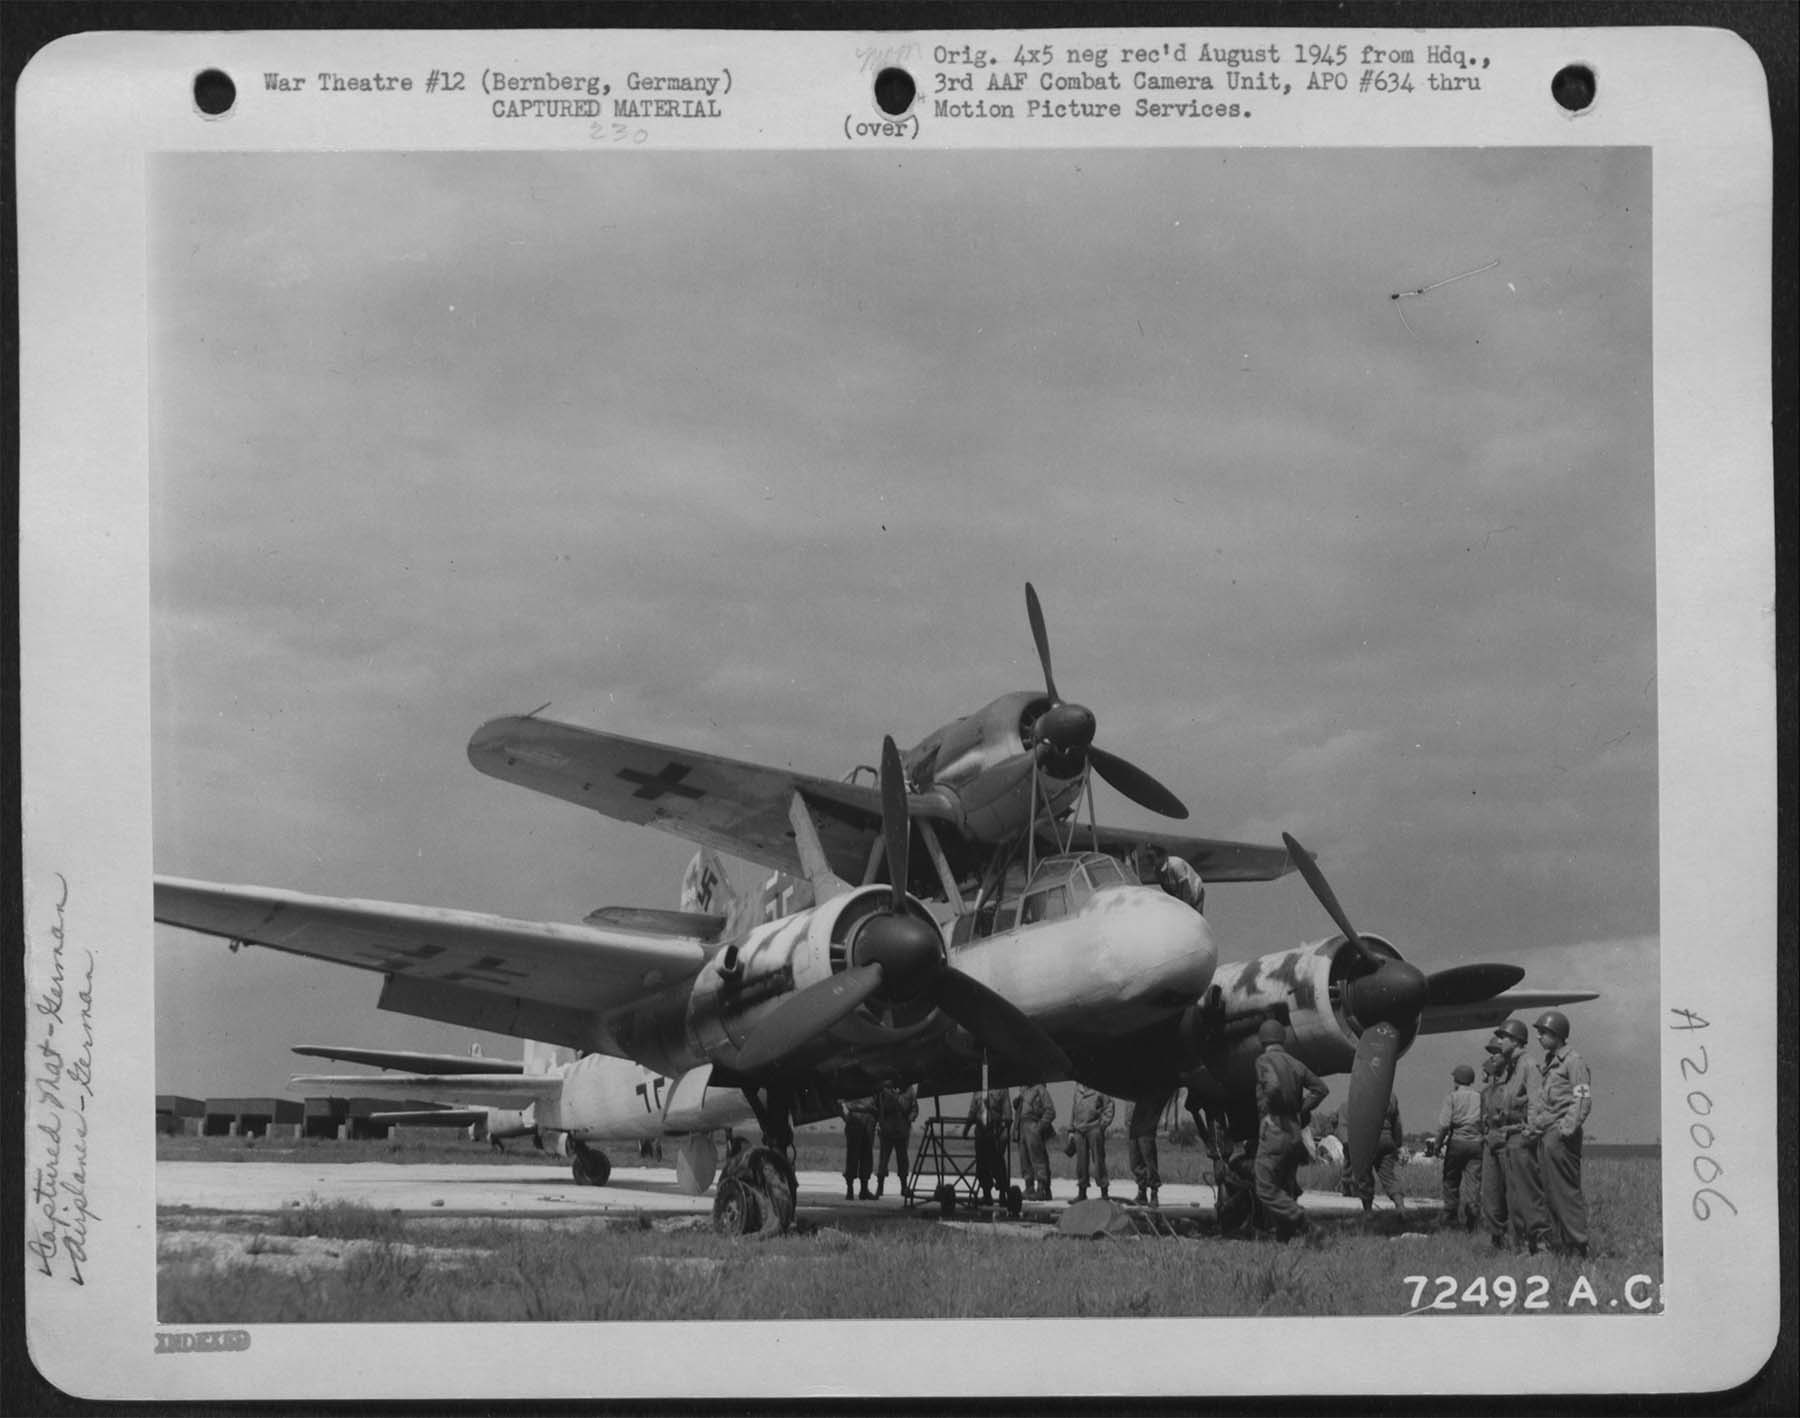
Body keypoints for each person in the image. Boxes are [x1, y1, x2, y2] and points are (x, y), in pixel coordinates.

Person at [1252, 1019, 1329, 1240]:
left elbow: (1273, 1086)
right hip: (1294, 1132)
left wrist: (1272, 1112)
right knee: (1285, 1187)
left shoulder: (1263, 1060)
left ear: (1263, 1040)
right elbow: (1320, 1089)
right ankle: (1283, 1240)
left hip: (1274, 1130)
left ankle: (1305, 1224)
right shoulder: (1296, 1063)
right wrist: (1298, 1110)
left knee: (1265, 1187)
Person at [1528, 1009, 1592, 1257]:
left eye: (1543, 1032)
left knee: (1565, 1192)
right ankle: (1560, 1246)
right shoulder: (1550, 1063)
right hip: (1548, 1134)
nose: (1539, 1037)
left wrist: (1566, 1129)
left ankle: (1577, 1246)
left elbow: (1582, 1099)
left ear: (1557, 1034)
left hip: (1561, 1136)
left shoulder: (1573, 1061)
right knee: (1550, 1192)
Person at [1486, 1018, 1548, 1252]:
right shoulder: (1514, 1067)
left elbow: (1536, 1102)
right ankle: (1522, 1245)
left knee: (1528, 1194)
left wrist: (1530, 1132)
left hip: (1522, 1137)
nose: (1499, 1041)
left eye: (1503, 1037)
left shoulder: (1528, 1065)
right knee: (1514, 1197)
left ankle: (1541, 1245)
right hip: (1510, 1137)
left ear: (1516, 1040)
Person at [1435, 1063, 1485, 1229]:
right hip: (1476, 1144)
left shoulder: (1452, 1097)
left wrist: (1437, 1145)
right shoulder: (1480, 1097)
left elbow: (1444, 1125)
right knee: (1473, 1182)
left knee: (1451, 1179)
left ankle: (1450, 1216)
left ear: (1456, 1080)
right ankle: (1472, 1218)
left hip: (1456, 1142)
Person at [1353, 1092, 1406, 1213]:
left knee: (1365, 1176)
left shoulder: (1363, 1092)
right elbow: (1397, 1123)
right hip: (1387, 1139)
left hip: (1368, 1138)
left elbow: (1356, 1119)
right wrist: (1397, 1144)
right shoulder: (1391, 1096)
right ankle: (1400, 1207)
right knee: (1389, 1177)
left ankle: (1368, 1211)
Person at [962, 1085, 1013, 1205]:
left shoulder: (1002, 1088)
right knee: (981, 1164)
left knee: (997, 1164)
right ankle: (987, 1194)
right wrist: (966, 1129)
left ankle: (1003, 1193)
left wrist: (1004, 1132)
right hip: (981, 1132)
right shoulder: (978, 1088)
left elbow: (1007, 1112)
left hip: (996, 1132)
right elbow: (973, 1110)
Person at [1068, 1084, 1115, 1200]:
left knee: (1099, 1161)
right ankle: (1082, 1192)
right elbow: (1074, 1109)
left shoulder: (1099, 1087)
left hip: (1094, 1128)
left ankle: (1104, 1192)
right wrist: (1071, 1130)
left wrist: (1102, 1125)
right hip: (1079, 1130)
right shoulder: (1078, 1088)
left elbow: (1109, 1106)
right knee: (1081, 1163)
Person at [1127, 1088, 1172, 1207]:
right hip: (1133, 1128)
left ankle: (1154, 1193)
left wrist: (1151, 1124)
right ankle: (1142, 1193)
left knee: (1149, 1162)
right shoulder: (1132, 1089)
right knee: (1135, 1163)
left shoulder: (1152, 1088)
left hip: (1146, 1128)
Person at [873, 1081, 918, 1199]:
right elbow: (878, 1107)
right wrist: (880, 1123)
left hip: (902, 1130)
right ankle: (880, 1187)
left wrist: (910, 1119)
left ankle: (904, 1187)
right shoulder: (885, 1090)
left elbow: (914, 1108)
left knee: (903, 1160)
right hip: (887, 1130)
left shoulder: (909, 1090)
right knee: (883, 1160)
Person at [1017, 1081, 1057, 1199]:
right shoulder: (1023, 1090)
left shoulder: (1040, 1089)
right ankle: (1029, 1187)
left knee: (1038, 1159)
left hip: (1033, 1124)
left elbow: (1050, 1111)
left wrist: (1039, 1127)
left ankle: (1042, 1189)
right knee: (1024, 1159)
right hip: (1022, 1126)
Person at [1140, 842, 1205, 912]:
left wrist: (1185, 909)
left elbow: (1186, 889)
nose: (1149, 861)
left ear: (1160, 856)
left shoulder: (1176, 865)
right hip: (1179, 892)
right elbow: (1168, 890)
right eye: (1148, 857)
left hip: (1194, 890)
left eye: (1151, 857)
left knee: (1194, 915)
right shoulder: (1157, 871)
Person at [840, 1094, 878, 1200]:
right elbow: (840, 1102)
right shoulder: (851, 1087)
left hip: (868, 1121)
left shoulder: (872, 1088)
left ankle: (863, 1190)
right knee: (853, 1156)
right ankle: (850, 1190)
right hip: (854, 1120)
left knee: (867, 1156)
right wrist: (846, 1117)